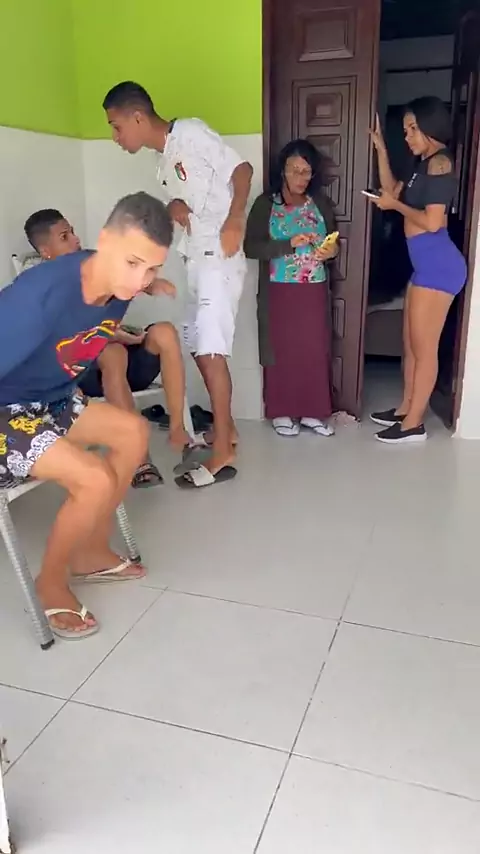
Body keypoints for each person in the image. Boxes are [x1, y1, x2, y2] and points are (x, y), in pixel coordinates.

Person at [0, 192, 172, 640]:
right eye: (133, 263)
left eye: (152, 268)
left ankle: (90, 552)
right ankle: (50, 581)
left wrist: (147, 280)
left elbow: (123, 282)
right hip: (4, 413)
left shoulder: (117, 282)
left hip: (51, 400)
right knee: (92, 478)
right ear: (105, 241)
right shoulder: (38, 297)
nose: (140, 280)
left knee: (133, 432)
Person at [103, 81, 253, 489]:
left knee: (211, 350)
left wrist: (236, 218)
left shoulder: (189, 132)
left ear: (137, 117)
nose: (116, 137)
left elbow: (241, 169)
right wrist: (174, 206)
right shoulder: (164, 162)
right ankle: (226, 430)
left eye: (117, 126)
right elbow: (194, 198)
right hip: (196, 259)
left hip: (219, 257)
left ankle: (223, 451)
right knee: (199, 346)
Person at [23, 208, 188, 487]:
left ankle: (178, 430)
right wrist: (111, 335)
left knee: (164, 332)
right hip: (88, 373)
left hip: (123, 358)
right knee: (113, 352)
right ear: (46, 251)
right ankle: (140, 460)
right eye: (65, 236)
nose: (75, 239)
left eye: (72, 232)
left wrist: (150, 285)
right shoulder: (41, 287)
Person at [368, 97, 467, 443]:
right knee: (410, 344)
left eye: (413, 129)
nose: (407, 136)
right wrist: (381, 149)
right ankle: (404, 410)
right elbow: (391, 191)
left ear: (430, 126)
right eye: (405, 130)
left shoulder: (440, 163)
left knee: (424, 349)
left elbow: (432, 222)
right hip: (425, 266)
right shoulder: (421, 165)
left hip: (439, 267)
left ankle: (413, 425)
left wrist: (394, 205)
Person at [244, 139, 338, 436]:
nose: (300, 177)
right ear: (282, 170)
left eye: (306, 171)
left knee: (313, 349)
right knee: (281, 350)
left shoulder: (320, 204)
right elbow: (250, 247)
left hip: (313, 290)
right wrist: (288, 245)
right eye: (294, 170)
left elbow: (333, 242)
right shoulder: (266, 204)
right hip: (278, 291)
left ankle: (312, 412)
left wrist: (330, 252)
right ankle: (281, 411)